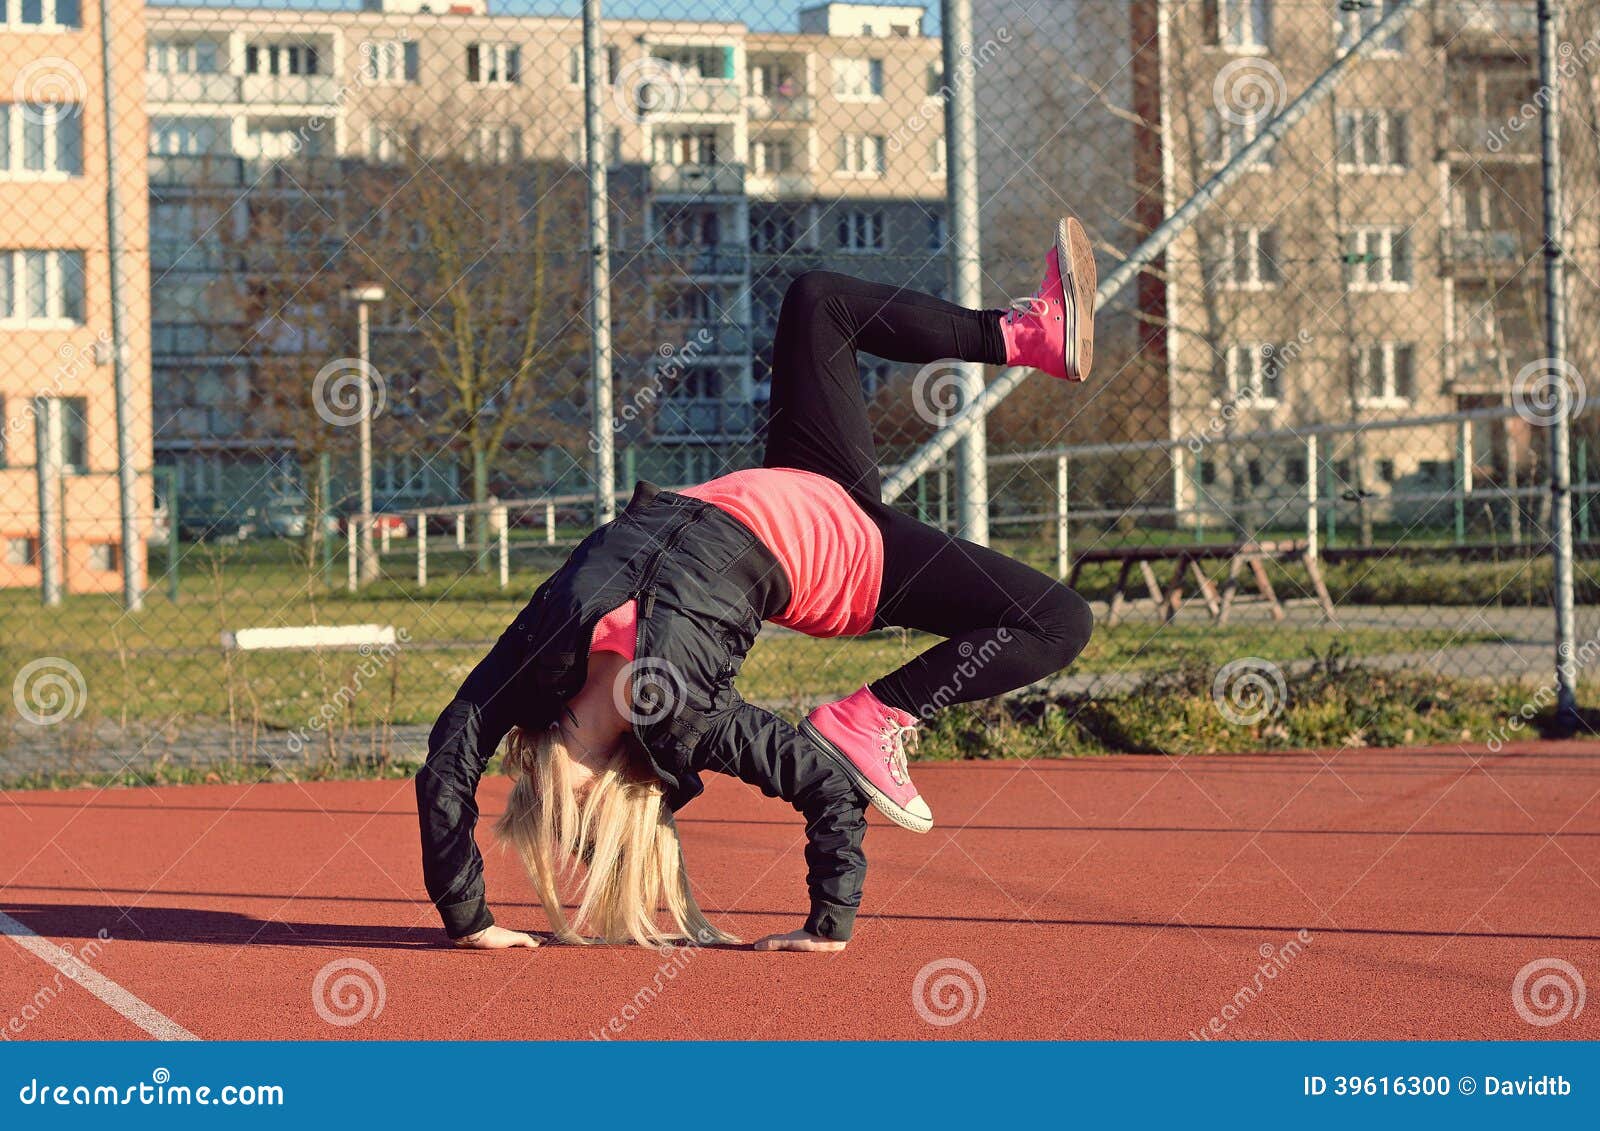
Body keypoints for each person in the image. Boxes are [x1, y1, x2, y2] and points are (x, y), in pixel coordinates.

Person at [417, 217, 1098, 953]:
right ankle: (872, 720)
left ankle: (1033, 336)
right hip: (846, 557)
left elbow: (448, 755)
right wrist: (828, 924)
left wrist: (468, 918)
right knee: (1058, 620)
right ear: (601, 799)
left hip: (795, 479)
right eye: (556, 813)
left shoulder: (541, 658)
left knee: (816, 299)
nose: (533, 788)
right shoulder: (688, 719)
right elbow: (826, 792)